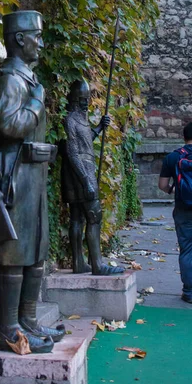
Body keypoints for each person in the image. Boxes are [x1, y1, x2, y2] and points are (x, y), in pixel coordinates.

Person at [0, 10, 65, 353]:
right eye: (36, 36)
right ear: (18, 40)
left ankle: (26, 319)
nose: (41, 42)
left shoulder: (25, 79)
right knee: (12, 254)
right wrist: (39, 102)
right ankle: (7, 328)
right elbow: (9, 126)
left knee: (34, 250)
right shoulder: (11, 81)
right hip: (14, 179)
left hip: (31, 180)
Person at [60, 78, 124, 275]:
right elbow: (73, 153)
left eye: (87, 98)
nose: (86, 102)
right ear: (74, 99)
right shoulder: (71, 120)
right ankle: (97, 265)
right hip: (80, 172)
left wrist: (98, 128)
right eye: (82, 99)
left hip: (80, 171)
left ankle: (79, 263)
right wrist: (86, 180)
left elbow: (85, 143)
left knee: (77, 217)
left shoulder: (80, 120)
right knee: (94, 215)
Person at [159, 121, 192, 304]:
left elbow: (162, 185)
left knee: (188, 251)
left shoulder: (173, 157)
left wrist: (172, 190)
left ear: (184, 137)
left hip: (184, 210)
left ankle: (190, 293)